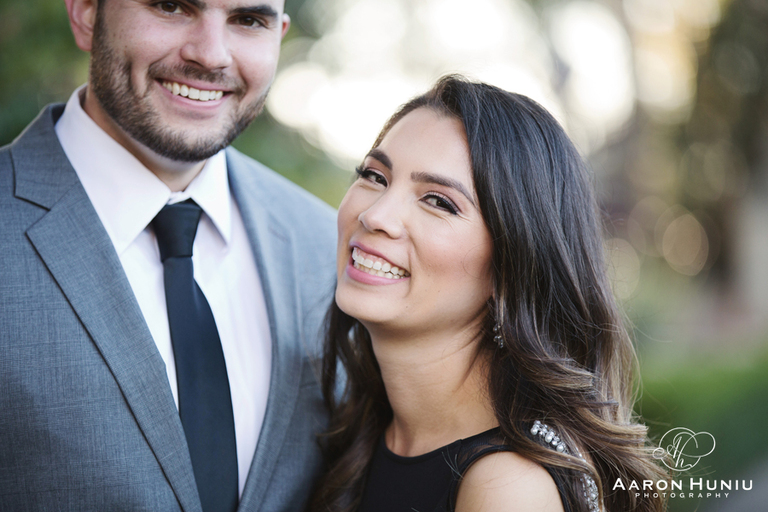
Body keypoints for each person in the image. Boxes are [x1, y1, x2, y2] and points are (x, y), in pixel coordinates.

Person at [0, 0, 335, 510]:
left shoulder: (326, 250)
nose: (211, 55)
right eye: (172, 6)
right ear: (87, 13)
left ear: (279, 36)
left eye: (248, 20)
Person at [309, 76, 667, 512]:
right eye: (374, 176)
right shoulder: (360, 427)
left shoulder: (509, 488)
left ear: (511, 264)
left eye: (438, 201)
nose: (375, 215)